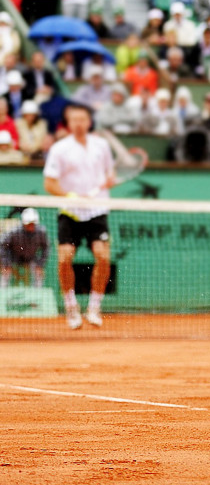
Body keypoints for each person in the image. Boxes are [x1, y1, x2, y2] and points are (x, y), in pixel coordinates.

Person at [43, 103, 116, 329]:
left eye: (82, 119)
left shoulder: (101, 146)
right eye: (74, 120)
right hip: (70, 211)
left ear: (89, 121)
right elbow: (49, 183)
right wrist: (71, 195)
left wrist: (109, 180)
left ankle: (94, 307)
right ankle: (71, 307)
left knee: (103, 257)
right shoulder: (59, 149)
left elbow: (110, 174)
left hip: (97, 210)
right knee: (65, 258)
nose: (79, 124)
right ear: (68, 123)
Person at [0, 208, 49, 288]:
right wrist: (6, 262)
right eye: (28, 224)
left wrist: (40, 264)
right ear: (23, 223)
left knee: (38, 272)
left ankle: (36, 296)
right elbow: (2, 244)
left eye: (32, 223)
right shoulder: (14, 231)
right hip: (13, 257)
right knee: (6, 271)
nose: (30, 226)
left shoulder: (41, 232)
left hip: (31, 258)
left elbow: (46, 247)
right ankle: (2, 294)